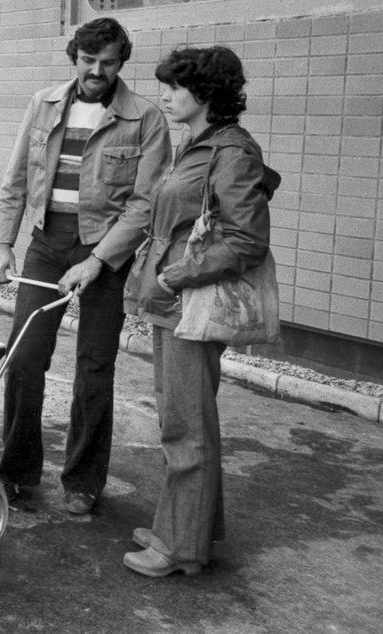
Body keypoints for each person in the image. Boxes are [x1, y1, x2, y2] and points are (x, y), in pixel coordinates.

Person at [0, 17, 172, 514]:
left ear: (120, 62)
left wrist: (97, 260)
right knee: (24, 358)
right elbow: (16, 178)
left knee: (94, 368)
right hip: (47, 244)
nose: (96, 70)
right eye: (88, 60)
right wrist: (3, 243)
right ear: (75, 56)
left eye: (107, 62)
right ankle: (17, 473)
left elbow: (145, 204)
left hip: (105, 253)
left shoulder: (146, 119)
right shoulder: (44, 103)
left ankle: (84, 481)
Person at [122, 46, 279, 577]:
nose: (164, 95)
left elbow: (245, 240)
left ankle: (180, 549)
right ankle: (184, 527)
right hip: (173, 306)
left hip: (190, 303)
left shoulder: (231, 153)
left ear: (205, 93)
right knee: (179, 420)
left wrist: (173, 277)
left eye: (173, 87)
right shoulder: (199, 144)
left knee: (186, 427)